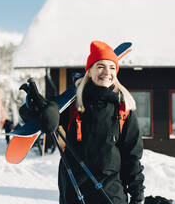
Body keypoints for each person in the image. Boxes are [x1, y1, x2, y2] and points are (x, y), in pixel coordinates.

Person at [56, 40, 145, 204]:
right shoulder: (72, 106)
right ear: (89, 72)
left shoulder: (123, 108)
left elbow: (131, 156)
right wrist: (35, 108)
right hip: (75, 193)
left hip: (111, 196)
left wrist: (137, 193)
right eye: (100, 66)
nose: (107, 72)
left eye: (112, 67)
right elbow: (38, 121)